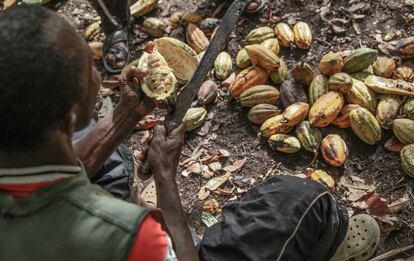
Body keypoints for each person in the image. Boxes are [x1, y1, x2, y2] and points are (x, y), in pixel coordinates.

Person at [0, 6, 381, 261]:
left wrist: (123, 117)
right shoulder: (128, 236)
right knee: (300, 201)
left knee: (111, 164)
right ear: (70, 115)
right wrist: (166, 182)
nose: (101, 77)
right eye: (90, 73)